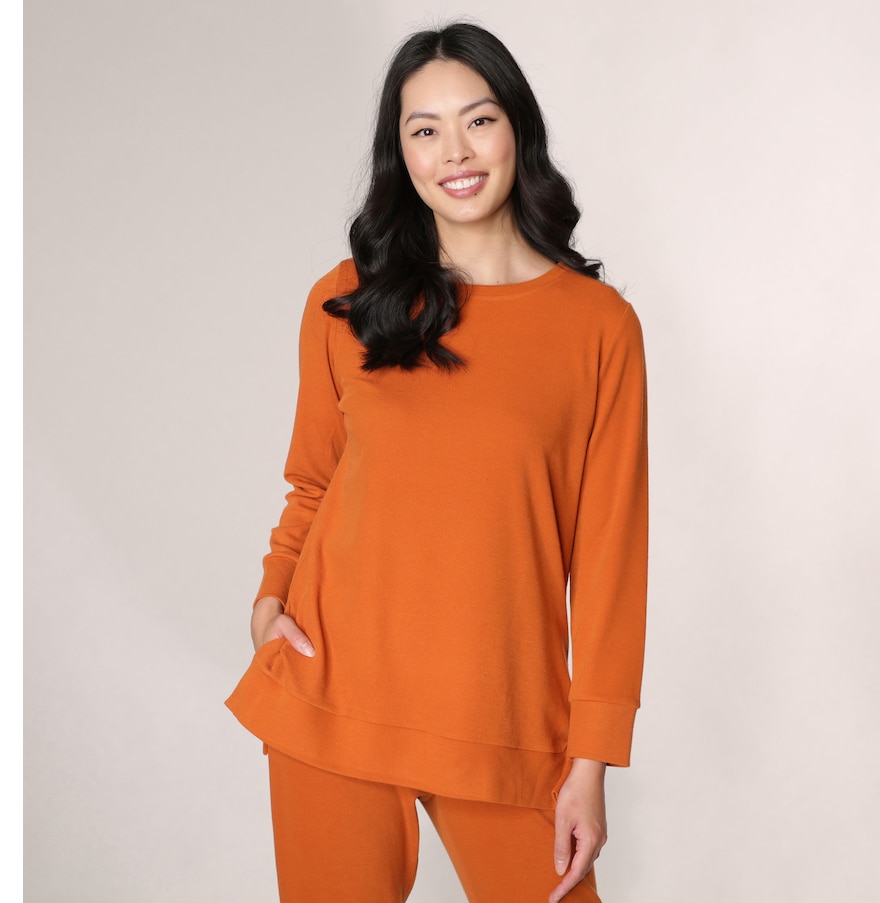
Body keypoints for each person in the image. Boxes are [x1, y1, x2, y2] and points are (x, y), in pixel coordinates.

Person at [226, 21, 648, 903]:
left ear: (517, 130)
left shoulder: (598, 327)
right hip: (333, 693)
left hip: (502, 716)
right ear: (402, 152)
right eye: (425, 129)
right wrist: (270, 601)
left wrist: (591, 760)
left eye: (478, 120)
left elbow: (611, 558)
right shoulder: (346, 302)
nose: (454, 152)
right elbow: (314, 482)